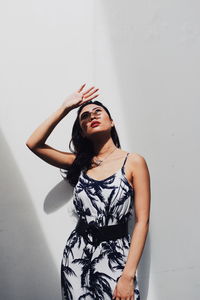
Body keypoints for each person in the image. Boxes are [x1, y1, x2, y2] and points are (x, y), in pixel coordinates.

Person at [26, 83, 151, 300]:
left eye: (97, 112)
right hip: (76, 256)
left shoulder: (134, 162)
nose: (91, 116)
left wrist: (128, 275)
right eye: (84, 117)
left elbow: (142, 221)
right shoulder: (80, 163)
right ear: (82, 132)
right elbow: (34, 144)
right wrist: (64, 108)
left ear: (112, 122)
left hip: (116, 257)